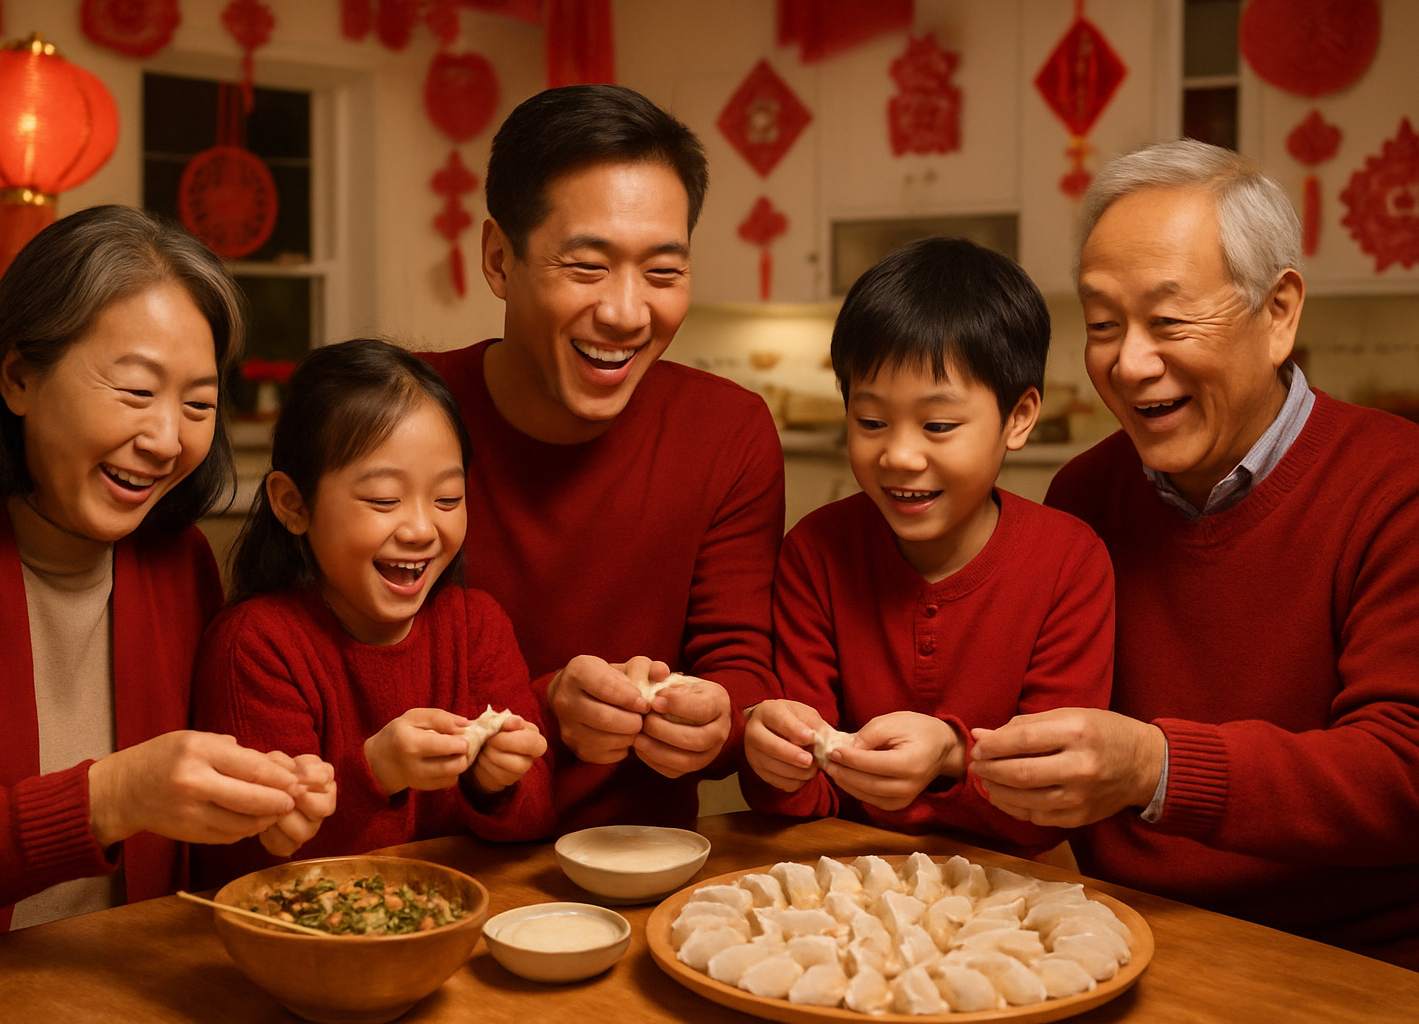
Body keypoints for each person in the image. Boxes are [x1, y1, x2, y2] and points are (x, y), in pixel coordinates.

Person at [968, 139, 1419, 970]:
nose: (1130, 363)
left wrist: (1157, 767)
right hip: (1120, 934)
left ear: (1279, 313)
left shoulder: (1396, 487)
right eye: (1103, 325)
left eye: (1169, 322)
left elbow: (1403, 770)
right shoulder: (1084, 495)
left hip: (1349, 959)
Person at [0, 206, 334, 956]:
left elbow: (190, 861)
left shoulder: (179, 561)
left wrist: (261, 804)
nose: (165, 440)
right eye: (133, 391)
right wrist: (113, 796)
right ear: (20, 375)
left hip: (136, 986)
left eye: (197, 404)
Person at [419, 84, 784, 832]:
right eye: (587, 267)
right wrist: (542, 702)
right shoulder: (405, 417)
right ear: (498, 259)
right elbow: (332, 673)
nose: (625, 313)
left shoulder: (727, 431)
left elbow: (739, 666)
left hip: (637, 866)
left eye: (663, 272)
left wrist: (718, 719)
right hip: (421, 868)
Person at [740, 237, 1115, 857]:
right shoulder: (817, 552)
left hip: (1011, 895)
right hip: (838, 880)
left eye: (939, 426)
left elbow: (1050, 808)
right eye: (870, 422)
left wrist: (948, 756)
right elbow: (802, 803)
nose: (899, 456)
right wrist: (773, 754)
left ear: (1019, 418)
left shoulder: (1069, 563)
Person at [192, 339, 552, 886]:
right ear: (293, 504)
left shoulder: (475, 626)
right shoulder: (258, 646)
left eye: (448, 500)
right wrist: (375, 772)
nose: (421, 529)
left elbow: (538, 814)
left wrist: (494, 782)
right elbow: (259, 867)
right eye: (384, 500)